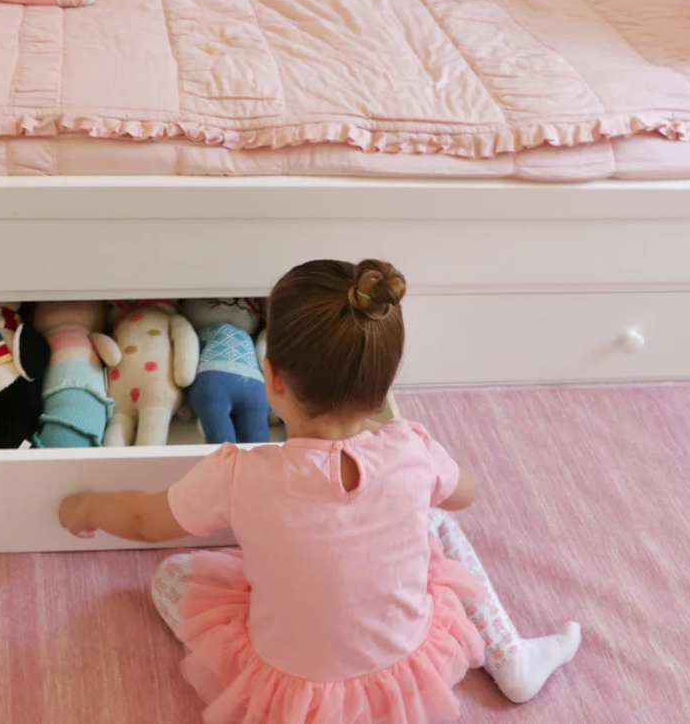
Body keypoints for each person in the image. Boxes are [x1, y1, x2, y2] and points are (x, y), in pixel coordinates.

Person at [59, 259, 580, 723]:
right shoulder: (412, 448)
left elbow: (148, 522)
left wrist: (88, 506)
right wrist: (432, 468)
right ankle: (510, 658)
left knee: (172, 577)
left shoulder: (239, 472)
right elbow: (464, 492)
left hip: (289, 692)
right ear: (387, 380)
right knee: (440, 522)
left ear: (271, 376)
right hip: (405, 668)